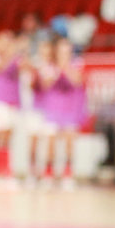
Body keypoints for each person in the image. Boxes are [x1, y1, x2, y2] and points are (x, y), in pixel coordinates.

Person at [0, 31, 25, 191]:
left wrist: (22, 51)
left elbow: (26, 68)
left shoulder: (16, 58)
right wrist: (12, 53)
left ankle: (6, 174)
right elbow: (0, 68)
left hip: (12, 103)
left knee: (7, 140)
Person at [44, 37, 86, 190]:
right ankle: (49, 173)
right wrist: (57, 70)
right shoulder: (50, 65)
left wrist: (66, 67)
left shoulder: (77, 64)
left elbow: (77, 81)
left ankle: (68, 173)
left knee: (69, 143)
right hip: (53, 108)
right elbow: (46, 84)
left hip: (70, 109)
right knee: (51, 142)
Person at [24, 40, 59, 188]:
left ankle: (48, 174)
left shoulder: (54, 67)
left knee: (50, 144)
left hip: (50, 109)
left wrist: (38, 73)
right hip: (35, 109)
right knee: (33, 143)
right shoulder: (34, 66)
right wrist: (33, 73)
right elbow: (31, 85)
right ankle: (32, 173)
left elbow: (48, 85)